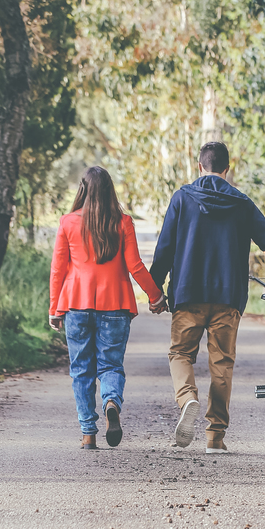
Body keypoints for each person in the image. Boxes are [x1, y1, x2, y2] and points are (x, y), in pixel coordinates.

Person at [150, 141, 265, 453]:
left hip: (187, 295)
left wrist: (155, 291)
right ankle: (215, 437)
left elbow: (164, 250)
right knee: (221, 365)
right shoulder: (241, 202)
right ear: (228, 168)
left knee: (180, 355)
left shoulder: (182, 198)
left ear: (200, 166)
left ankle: (188, 399)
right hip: (227, 298)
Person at [49, 166, 167, 449]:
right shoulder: (123, 222)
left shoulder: (68, 222)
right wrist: (155, 296)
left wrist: (54, 308)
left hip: (76, 305)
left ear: (83, 190)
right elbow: (135, 266)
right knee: (111, 364)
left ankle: (88, 433)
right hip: (115, 305)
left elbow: (58, 270)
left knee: (81, 369)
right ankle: (111, 401)